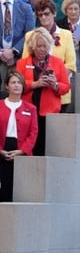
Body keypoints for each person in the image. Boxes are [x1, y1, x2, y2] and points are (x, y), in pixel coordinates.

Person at [16, 28, 69, 155]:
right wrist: (35, 84)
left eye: (45, 46)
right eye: (39, 46)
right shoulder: (22, 63)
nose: (42, 49)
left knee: (45, 147)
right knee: (27, 147)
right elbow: (16, 84)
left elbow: (66, 86)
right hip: (27, 111)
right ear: (33, 46)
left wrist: (55, 84)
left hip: (49, 113)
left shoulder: (58, 63)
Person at [0, 71, 38, 202]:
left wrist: (22, 151)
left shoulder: (31, 108)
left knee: (17, 189)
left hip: (20, 149)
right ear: (6, 86)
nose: (16, 85)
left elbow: (33, 133)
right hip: (2, 147)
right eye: (13, 82)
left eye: (19, 83)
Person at [0, 0, 36, 86]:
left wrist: (13, 51)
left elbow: (30, 34)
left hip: (18, 60)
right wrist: (2, 54)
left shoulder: (26, 8)